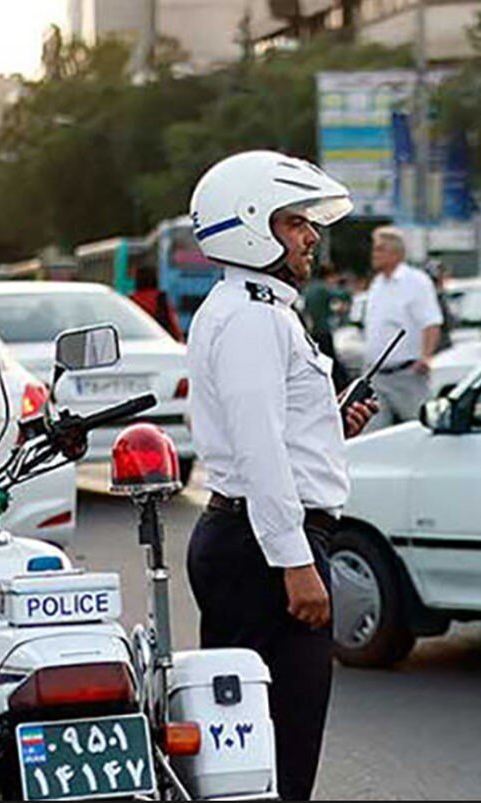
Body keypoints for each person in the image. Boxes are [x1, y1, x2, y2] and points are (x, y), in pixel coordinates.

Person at [184, 150, 378, 802]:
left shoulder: (248, 307)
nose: (310, 236)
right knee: (278, 757)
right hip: (262, 548)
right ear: (250, 226)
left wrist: (332, 423)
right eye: (294, 222)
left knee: (249, 752)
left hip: (248, 540)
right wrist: (296, 561)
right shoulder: (252, 316)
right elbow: (260, 449)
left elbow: (271, 433)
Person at [362, 226, 445, 432]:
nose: (375, 254)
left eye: (380, 249)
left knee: (421, 429)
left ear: (396, 253)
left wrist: (426, 356)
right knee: (373, 436)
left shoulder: (415, 282)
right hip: (376, 376)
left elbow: (431, 322)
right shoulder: (377, 284)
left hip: (406, 374)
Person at [301, 261, 349, 389]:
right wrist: (343, 285)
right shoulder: (323, 288)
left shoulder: (309, 288)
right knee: (331, 361)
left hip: (311, 331)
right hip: (323, 330)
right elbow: (343, 295)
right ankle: (341, 386)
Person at [129, 264, 185, 342]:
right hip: (159, 341)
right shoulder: (161, 298)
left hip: (137, 342)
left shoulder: (131, 300)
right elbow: (172, 321)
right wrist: (179, 338)